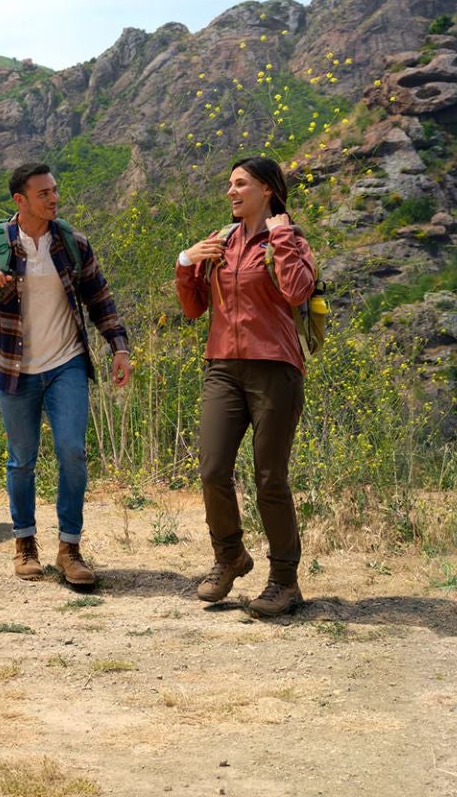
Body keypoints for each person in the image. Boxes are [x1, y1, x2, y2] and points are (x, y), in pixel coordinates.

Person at [0, 162, 132, 587]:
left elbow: (100, 298)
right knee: (22, 459)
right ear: (20, 200)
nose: (54, 198)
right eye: (44, 193)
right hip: (13, 368)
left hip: (65, 363)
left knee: (72, 451)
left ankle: (70, 549)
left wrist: (118, 347)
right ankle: (24, 543)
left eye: (54, 191)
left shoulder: (71, 243)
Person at [175, 156, 318, 617]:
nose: (231, 192)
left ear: (267, 190)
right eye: (229, 185)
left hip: (275, 368)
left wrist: (280, 235)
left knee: (269, 479)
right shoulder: (221, 241)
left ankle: (284, 581)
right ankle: (230, 556)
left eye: (240, 184)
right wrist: (186, 262)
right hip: (222, 367)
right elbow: (194, 308)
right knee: (213, 469)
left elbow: (297, 292)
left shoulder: (289, 239)